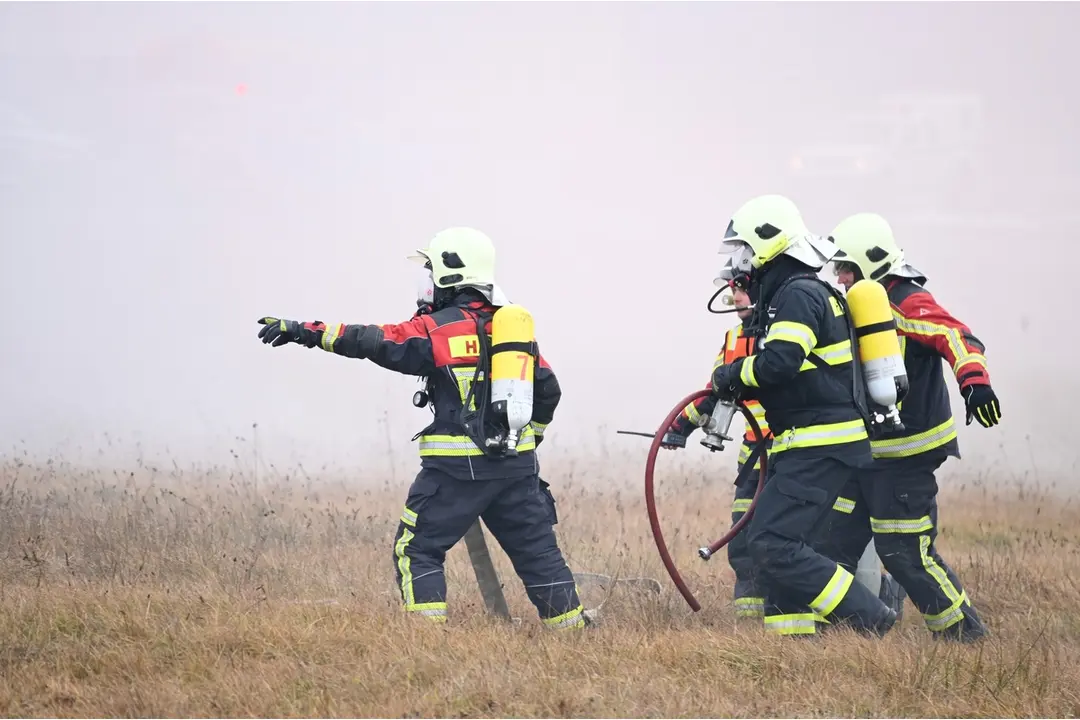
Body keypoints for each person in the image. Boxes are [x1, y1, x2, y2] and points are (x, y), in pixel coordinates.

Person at [255, 226, 587, 630]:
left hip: (456, 472)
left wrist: (304, 331)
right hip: (517, 467)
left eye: (430, 270)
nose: (426, 280)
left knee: (417, 549)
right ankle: (573, 632)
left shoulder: (440, 328)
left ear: (449, 273)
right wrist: (528, 435)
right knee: (538, 555)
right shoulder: (510, 329)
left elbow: (375, 340)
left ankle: (427, 640)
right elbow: (548, 389)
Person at [707, 194, 898, 637]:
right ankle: (792, 640)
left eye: (744, 251)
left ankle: (868, 618)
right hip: (812, 442)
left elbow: (780, 363)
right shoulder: (798, 293)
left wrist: (731, 374)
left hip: (821, 443)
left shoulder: (798, 295)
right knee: (786, 542)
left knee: (770, 540)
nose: (740, 264)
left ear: (767, 246)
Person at [824, 211, 996, 642]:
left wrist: (974, 382)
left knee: (905, 553)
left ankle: (964, 635)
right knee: (831, 544)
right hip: (866, 454)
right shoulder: (859, 303)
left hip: (906, 454)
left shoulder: (905, 300)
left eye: (846, 268)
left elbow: (957, 337)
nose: (841, 277)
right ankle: (855, 629)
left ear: (869, 262)